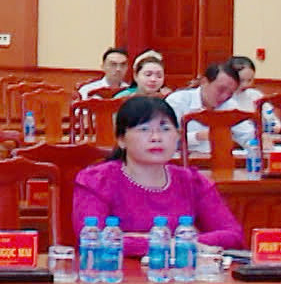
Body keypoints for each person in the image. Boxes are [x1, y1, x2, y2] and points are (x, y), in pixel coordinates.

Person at [72, 95, 243, 256]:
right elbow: (93, 239)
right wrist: (167, 244)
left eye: (165, 129)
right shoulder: (97, 180)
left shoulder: (192, 181)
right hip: (115, 273)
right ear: (121, 140)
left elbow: (233, 235)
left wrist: (181, 243)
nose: (156, 137)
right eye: (144, 129)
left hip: (181, 274)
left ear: (177, 135)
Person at [164, 62, 252, 154]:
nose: (224, 96)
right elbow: (165, 138)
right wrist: (197, 136)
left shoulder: (230, 105)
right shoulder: (177, 101)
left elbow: (247, 136)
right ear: (204, 82)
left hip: (216, 159)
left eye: (230, 93)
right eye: (221, 90)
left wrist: (256, 141)